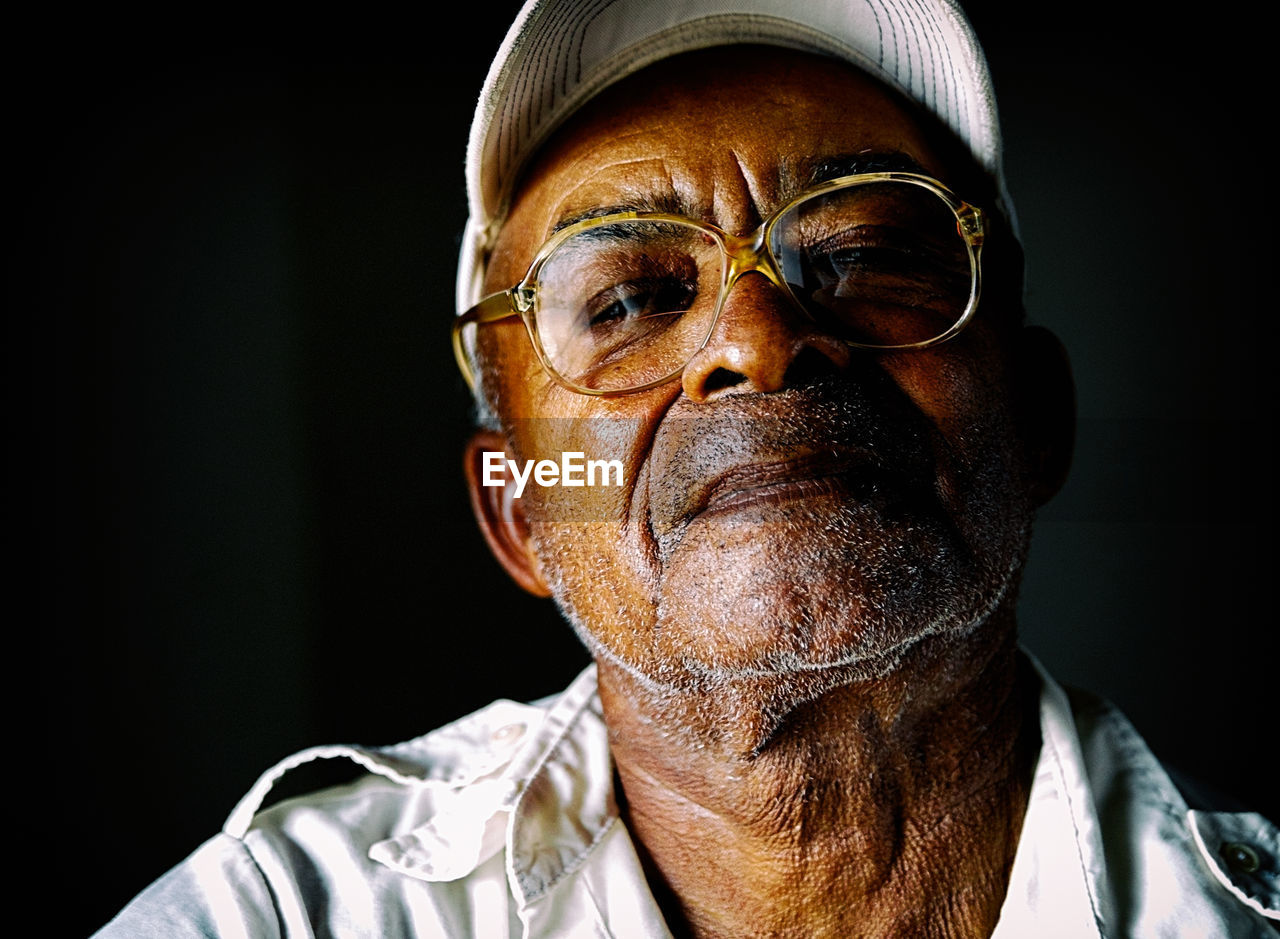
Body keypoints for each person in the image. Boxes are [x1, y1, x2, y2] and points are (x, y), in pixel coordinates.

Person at [94, 0, 1278, 936]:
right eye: (627, 300)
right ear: (517, 512)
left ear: (1036, 423)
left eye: (865, 254)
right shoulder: (287, 919)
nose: (755, 345)